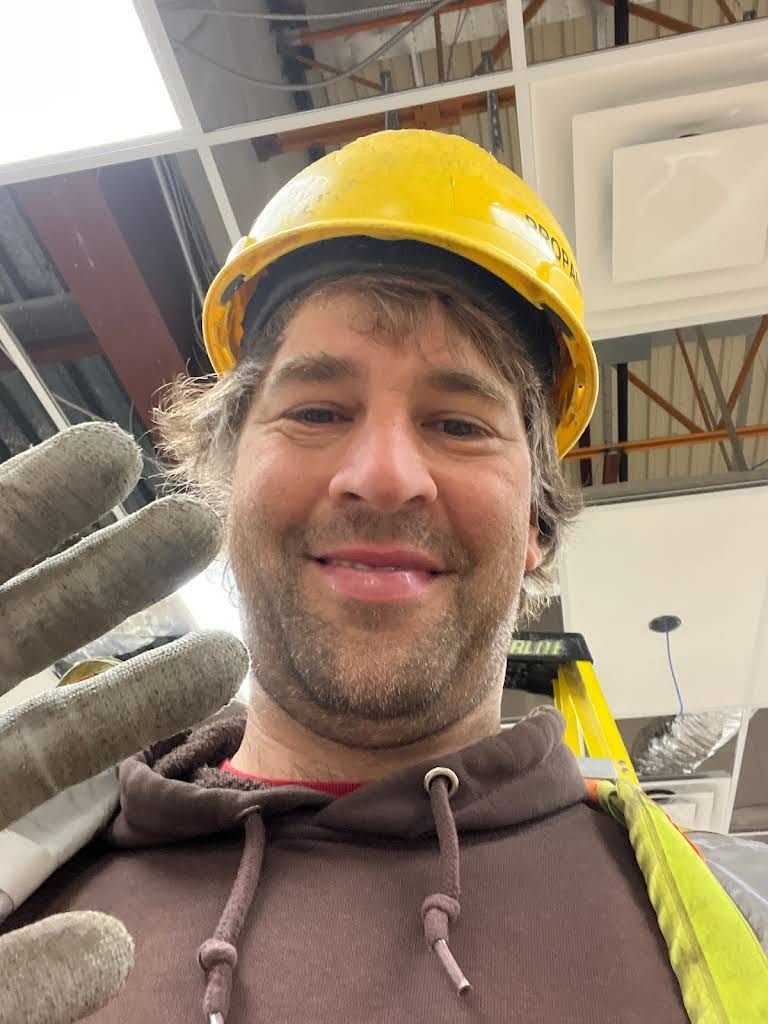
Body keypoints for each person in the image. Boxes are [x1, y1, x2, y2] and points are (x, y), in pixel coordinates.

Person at [1, 130, 766, 1024]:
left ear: (535, 524)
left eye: (459, 424)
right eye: (318, 411)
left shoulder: (741, 913)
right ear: (228, 484)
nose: (384, 475)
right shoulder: (24, 870)